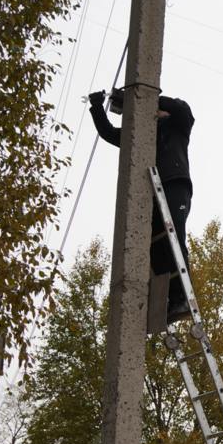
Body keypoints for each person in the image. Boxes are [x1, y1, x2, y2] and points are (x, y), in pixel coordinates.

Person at [88, 87, 195, 324]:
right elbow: (110, 134)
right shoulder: (145, 133)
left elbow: (180, 107)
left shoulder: (179, 124)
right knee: (155, 246)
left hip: (175, 185)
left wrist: (145, 97)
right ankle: (169, 299)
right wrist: (96, 108)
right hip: (151, 192)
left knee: (175, 234)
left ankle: (183, 297)